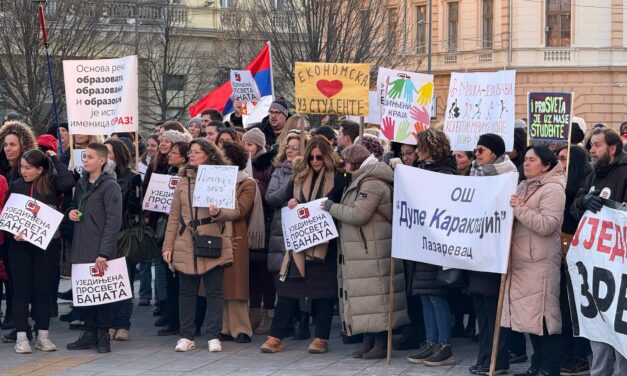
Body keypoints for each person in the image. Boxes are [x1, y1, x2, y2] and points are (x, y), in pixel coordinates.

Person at [323, 144, 408, 359]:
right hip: (365, 248)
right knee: (367, 299)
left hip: (374, 249)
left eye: (346, 162)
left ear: (356, 162)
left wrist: (331, 207)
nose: (344, 166)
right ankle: (369, 339)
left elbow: (359, 214)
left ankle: (381, 341)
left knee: (377, 296)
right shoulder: (362, 180)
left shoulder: (372, 183)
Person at [261, 136, 340, 354]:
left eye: (319, 157)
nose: (315, 161)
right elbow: (274, 200)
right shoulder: (298, 177)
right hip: (300, 241)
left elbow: (341, 204)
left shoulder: (339, 178)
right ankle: (276, 336)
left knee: (324, 291)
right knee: (289, 289)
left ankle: (321, 338)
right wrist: (291, 202)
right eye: (312, 157)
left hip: (326, 243)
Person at [162, 139, 234, 353]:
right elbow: (174, 215)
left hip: (212, 237)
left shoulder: (221, 177)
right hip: (186, 239)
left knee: (214, 290)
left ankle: (213, 335)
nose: (191, 155)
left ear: (208, 154)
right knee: (186, 291)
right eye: (190, 152)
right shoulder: (183, 179)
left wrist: (218, 213)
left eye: (196, 152)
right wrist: (168, 245)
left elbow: (235, 211)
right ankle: (186, 336)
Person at [502, 145, 565, 376]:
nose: (526, 163)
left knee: (544, 320)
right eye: (525, 159)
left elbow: (548, 224)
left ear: (546, 165)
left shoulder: (553, 189)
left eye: (532, 160)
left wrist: (519, 209)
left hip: (540, 263)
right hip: (522, 263)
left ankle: (549, 368)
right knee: (529, 320)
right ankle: (536, 366)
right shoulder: (524, 185)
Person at [570, 127, 626, 376]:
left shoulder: (625, 173)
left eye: (597, 145)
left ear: (612, 149)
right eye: (590, 145)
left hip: (619, 273)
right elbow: (574, 210)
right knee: (598, 334)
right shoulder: (592, 175)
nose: (591, 150)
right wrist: (583, 202)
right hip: (595, 272)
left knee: (621, 337)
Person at [9, 149, 74, 353]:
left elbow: (68, 182)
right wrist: (13, 231)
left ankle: (43, 335)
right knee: (21, 291)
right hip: (20, 247)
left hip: (46, 246)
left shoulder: (53, 184)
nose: (23, 171)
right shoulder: (16, 185)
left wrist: (54, 158)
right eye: (21, 167)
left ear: (40, 169)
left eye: (28, 168)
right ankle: (21, 336)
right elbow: (8, 214)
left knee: (43, 291)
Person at [466, 133, 519, 375]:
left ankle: (498, 359)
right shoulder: (475, 174)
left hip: (495, 251)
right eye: (475, 150)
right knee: (481, 310)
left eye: (481, 151)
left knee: (493, 310)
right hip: (477, 249)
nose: (476, 155)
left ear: (495, 154)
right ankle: (484, 358)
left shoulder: (508, 176)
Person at [406, 129, 458, 367]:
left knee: (435, 295)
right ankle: (431, 341)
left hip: (437, 242)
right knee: (425, 294)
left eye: (420, 147)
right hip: (423, 241)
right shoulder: (426, 170)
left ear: (431, 148)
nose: (416, 152)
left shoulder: (445, 172)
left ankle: (444, 345)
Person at [66, 143, 123, 354]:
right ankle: (89, 333)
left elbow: (113, 221)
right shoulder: (82, 182)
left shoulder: (110, 185)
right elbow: (73, 205)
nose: (85, 160)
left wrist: (104, 253)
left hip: (99, 248)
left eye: (89, 157)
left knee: (103, 295)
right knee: (87, 294)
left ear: (102, 160)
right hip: (82, 245)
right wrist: (71, 212)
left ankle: (102, 335)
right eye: (84, 157)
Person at [213, 141, 264, 343]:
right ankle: (225, 327)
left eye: (224, 157)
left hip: (236, 234)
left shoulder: (248, 183)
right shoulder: (215, 180)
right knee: (221, 282)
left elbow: (241, 210)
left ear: (234, 160)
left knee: (236, 283)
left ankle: (242, 327)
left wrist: (221, 195)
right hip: (217, 233)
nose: (221, 160)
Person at [263, 130, 307, 336]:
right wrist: (289, 187)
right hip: (280, 231)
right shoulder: (279, 171)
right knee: (281, 277)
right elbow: (270, 198)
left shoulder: (309, 171)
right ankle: (285, 322)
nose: (290, 151)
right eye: (288, 147)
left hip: (301, 230)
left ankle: (302, 322)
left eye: (295, 148)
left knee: (302, 277)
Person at [143, 130, 191, 314]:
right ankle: (163, 305)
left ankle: (170, 309)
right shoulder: (157, 165)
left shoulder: (180, 173)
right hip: (159, 221)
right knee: (161, 266)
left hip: (175, 224)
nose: (163, 145)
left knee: (172, 270)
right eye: (161, 141)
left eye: (167, 142)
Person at [104, 140, 142, 342]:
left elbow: (135, 209)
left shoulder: (132, 177)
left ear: (118, 155)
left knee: (123, 281)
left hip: (124, 234)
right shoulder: (98, 177)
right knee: (108, 282)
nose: (106, 157)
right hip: (104, 236)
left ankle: (122, 324)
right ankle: (109, 323)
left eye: (108, 153)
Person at [242, 128, 277, 333]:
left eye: (250, 144)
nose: (247, 148)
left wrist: (253, 186)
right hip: (246, 224)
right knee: (251, 272)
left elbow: (269, 194)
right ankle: (253, 311)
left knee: (264, 272)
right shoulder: (241, 165)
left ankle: (268, 312)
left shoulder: (266, 165)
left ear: (259, 146)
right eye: (244, 144)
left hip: (263, 223)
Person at [156, 141, 190, 337]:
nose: (170, 155)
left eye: (175, 153)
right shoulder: (169, 173)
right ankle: (171, 317)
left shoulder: (185, 177)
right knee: (169, 278)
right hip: (167, 227)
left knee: (179, 281)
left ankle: (178, 321)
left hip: (182, 231)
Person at [0, 121, 37, 185]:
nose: (7, 149)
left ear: (23, 147)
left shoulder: (31, 171)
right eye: (5, 145)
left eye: (12, 145)